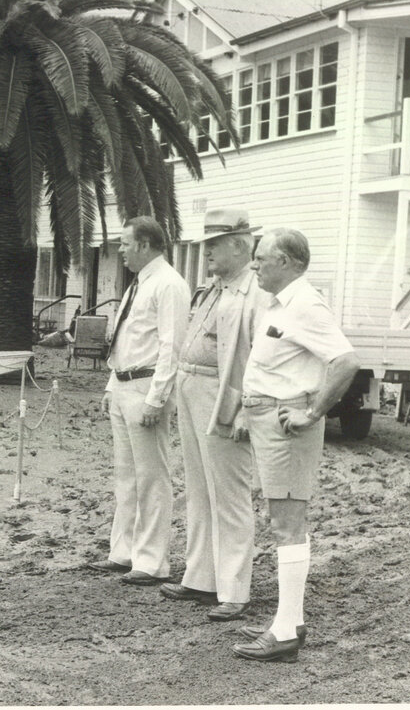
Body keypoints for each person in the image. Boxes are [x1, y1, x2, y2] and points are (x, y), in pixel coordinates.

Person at [231, 228, 360, 662]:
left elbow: (345, 362)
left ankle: (285, 632)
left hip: (289, 427)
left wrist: (313, 412)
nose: (254, 265)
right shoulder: (279, 303)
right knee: (282, 522)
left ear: (286, 261)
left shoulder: (306, 305)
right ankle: (289, 620)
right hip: (270, 422)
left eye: (261, 258)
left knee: (287, 525)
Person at [159, 208, 269, 621]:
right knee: (199, 488)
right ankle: (201, 576)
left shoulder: (256, 293)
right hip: (192, 388)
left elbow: (260, 357)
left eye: (215, 245)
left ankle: (235, 590)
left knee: (229, 494)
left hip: (223, 395)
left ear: (240, 245)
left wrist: (244, 407)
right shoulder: (213, 289)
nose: (207, 252)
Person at [88, 216, 190, 585]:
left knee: (151, 478)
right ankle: (124, 552)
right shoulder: (138, 285)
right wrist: (110, 386)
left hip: (147, 388)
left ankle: (151, 561)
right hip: (124, 386)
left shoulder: (169, 285)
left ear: (145, 244)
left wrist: (157, 397)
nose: (121, 251)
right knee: (126, 477)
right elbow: (127, 339)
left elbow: (171, 346)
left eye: (126, 244)